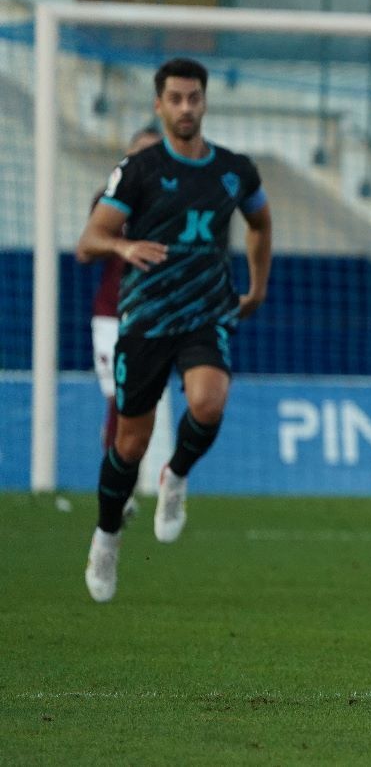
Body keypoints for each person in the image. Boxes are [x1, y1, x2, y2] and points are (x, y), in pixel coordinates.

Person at [77, 57, 273, 603]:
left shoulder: (234, 170)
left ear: (204, 102)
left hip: (206, 313)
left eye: (194, 98)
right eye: (176, 99)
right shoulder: (138, 170)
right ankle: (106, 537)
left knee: (208, 403)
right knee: (129, 443)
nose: (186, 107)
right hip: (145, 319)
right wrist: (123, 246)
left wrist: (257, 288)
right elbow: (89, 241)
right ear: (159, 105)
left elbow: (260, 223)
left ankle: (176, 476)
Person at [80, 125, 163, 462]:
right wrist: (122, 246)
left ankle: (133, 465)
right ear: (127, 157)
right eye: (140, 153)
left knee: (141, 401)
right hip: (112, 313)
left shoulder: (177, 204)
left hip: (157, 316)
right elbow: (86, 250)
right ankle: (115, 474)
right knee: (119, 396)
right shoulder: (109, 200)